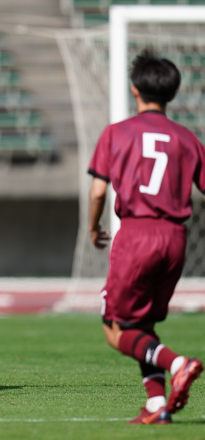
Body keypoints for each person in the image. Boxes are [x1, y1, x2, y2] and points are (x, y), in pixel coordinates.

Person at [89, 50, 203, 424]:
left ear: (134, 89)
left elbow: (98, 193)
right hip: (175, 240)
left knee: (113, 328)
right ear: (171, 93)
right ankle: (156, 405)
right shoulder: (188, 139)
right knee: (143, 325)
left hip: (136, 235)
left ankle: (178, 363)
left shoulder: (116, 133)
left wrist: (93, 227)